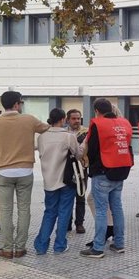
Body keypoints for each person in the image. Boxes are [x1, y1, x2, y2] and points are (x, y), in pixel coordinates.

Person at [0, 91, 49, 259]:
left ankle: (7, 248)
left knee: (5, 211)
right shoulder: (29, 119)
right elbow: (46, 128)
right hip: (25, 170)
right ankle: (20, 247)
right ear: (17, 104)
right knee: (24, 209)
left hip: (3, 171)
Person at [80, 98, 133, 258]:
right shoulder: (125, 123)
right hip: (121, 170)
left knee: (102, 210)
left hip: (103, 171)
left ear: (96, 110)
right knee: (117, 208)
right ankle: (119, 244)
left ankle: (98, 248)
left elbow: (92, 149)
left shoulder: (98, 124)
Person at [34, 109, 81, 255]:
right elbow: (78, 155)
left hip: (49, 180)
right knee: (64, 212)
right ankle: (60, 245)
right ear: (63, 119)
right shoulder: (68, 136)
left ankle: (41, 246)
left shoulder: (41, 137)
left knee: (49, 212)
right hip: (66, 181)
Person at [65, 109, 88, 233]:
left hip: (81, 168)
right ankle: (67, 222)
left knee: (80, 196)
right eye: (74, 118)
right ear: (68, 119)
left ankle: (79, 223)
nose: (77, 121)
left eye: (78, 118)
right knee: (67, 196)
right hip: (66, 169)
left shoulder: (86, 132)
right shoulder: (63, 133)